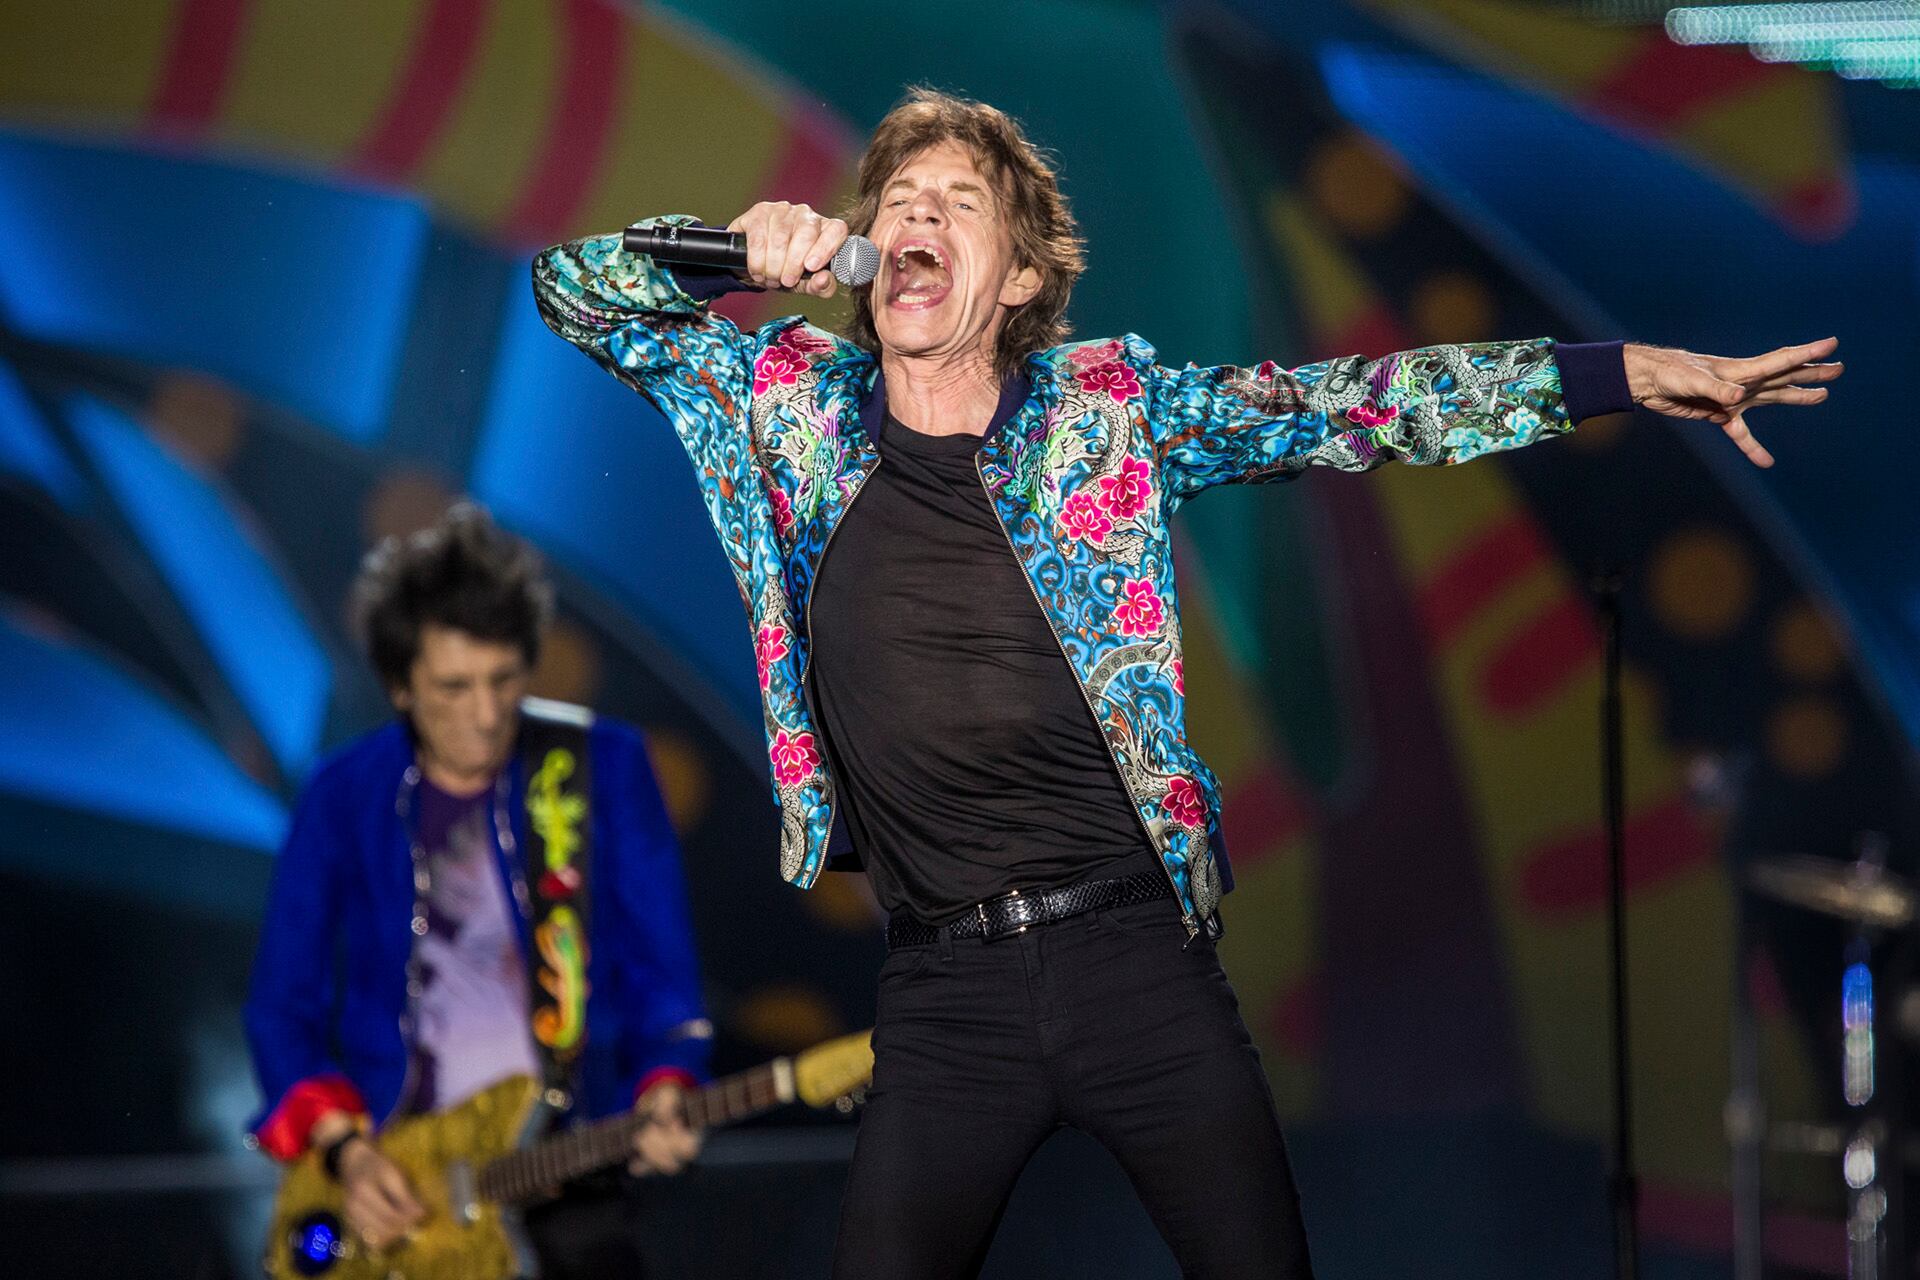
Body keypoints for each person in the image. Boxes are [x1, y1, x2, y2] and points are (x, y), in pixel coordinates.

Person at [532, 88, 1842, 1278]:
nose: (915, 215)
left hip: (1136, 964)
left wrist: (1619, 377)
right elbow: (572, 295)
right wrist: (705, 250)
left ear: (1018, 278)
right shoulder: (782, 404)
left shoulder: (1109, 411)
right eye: (899, 201)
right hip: (944, 996)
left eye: (959, 204)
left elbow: (1361, 402)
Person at [244, 504, 710, 1277]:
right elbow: (278, 1008)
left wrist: (668, 1087)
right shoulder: (341, 794)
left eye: (504, 680)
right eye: (454, 687)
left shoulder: (606, 766)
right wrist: (346, 1153)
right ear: (400, 685)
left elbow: (667, 988)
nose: (487, 714)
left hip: (565, 1169)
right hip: (396, 1177)